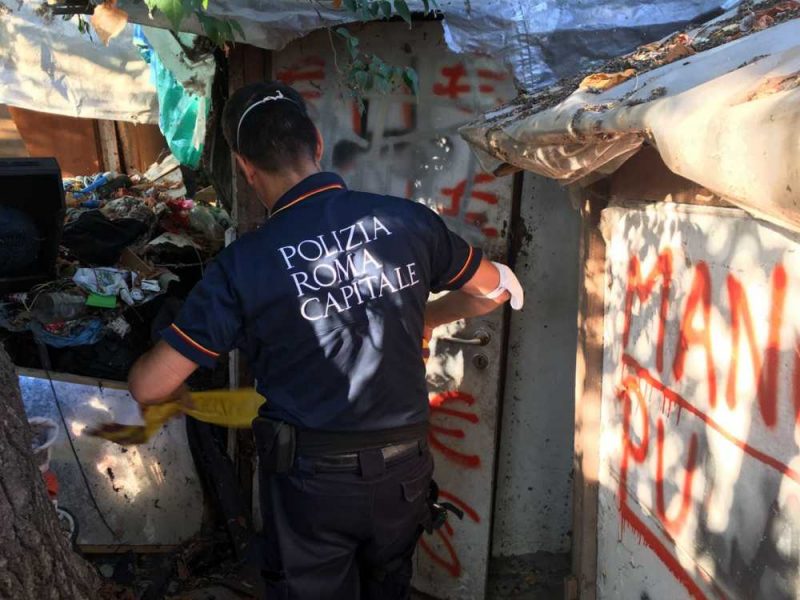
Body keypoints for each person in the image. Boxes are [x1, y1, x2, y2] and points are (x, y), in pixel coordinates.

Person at [127, 81, 524, 600]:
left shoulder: (242, 267)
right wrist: (429, 317)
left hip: (311, 486)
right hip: (404, 473)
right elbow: (494, 291)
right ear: (316, 143)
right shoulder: (406, 220)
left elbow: (149, 386)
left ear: (247, 170)